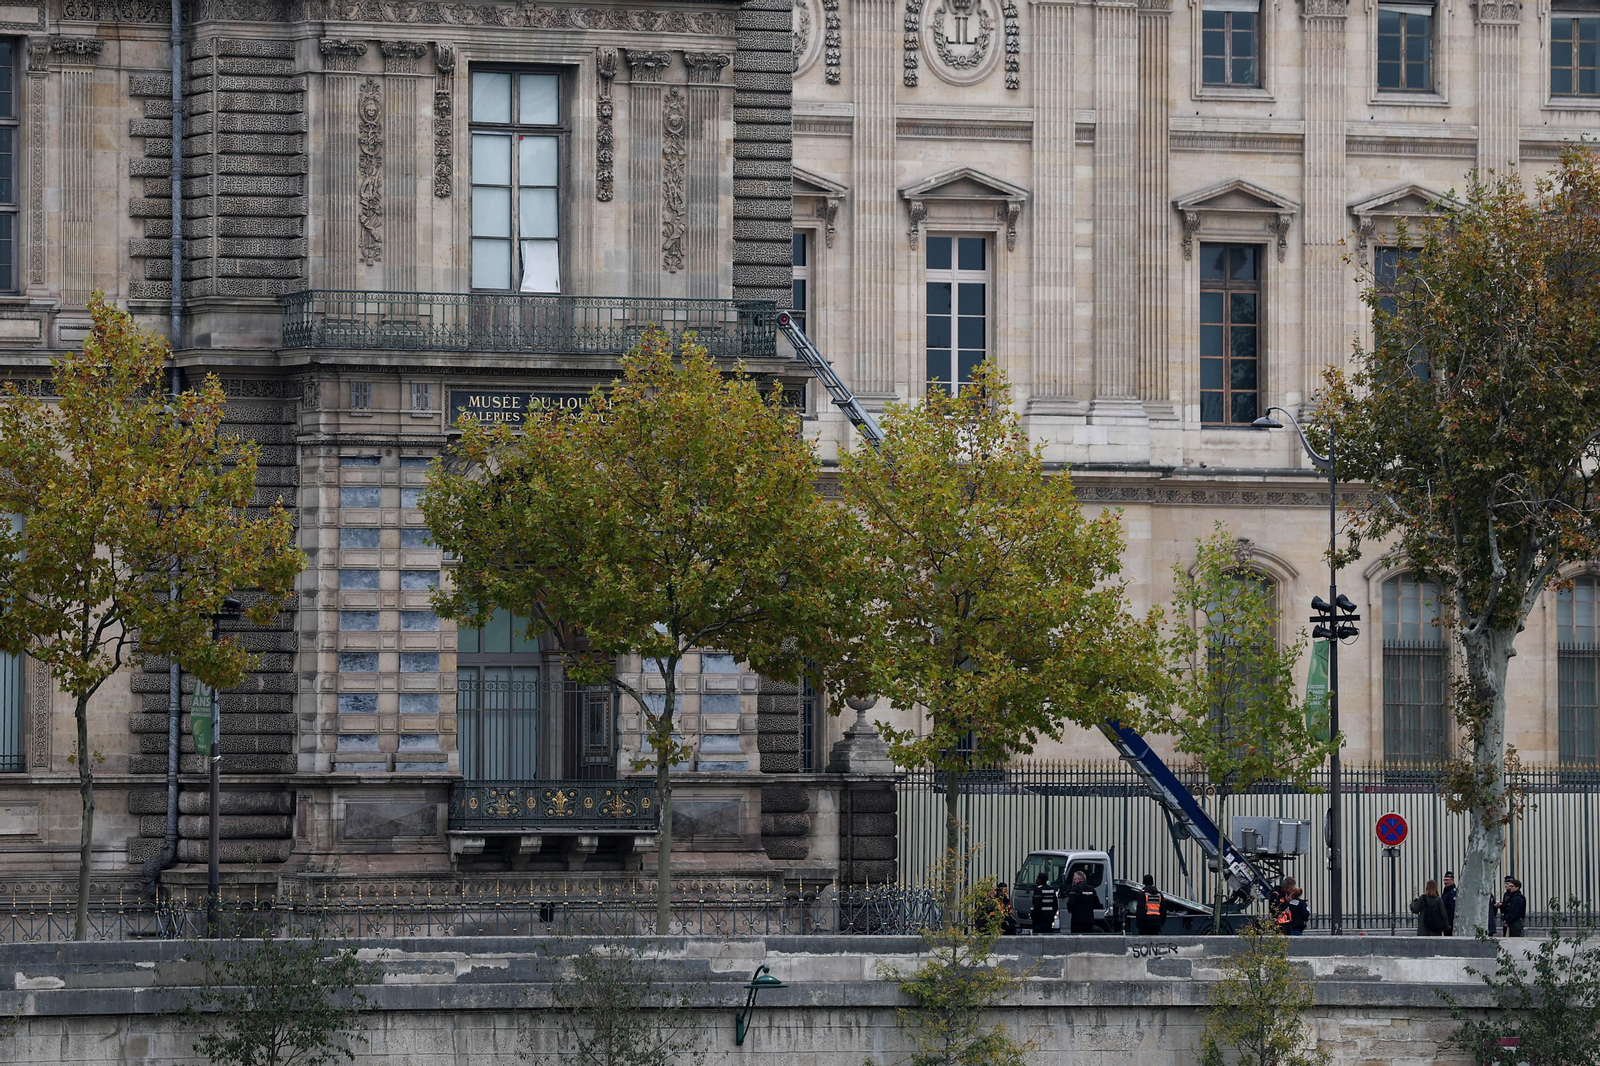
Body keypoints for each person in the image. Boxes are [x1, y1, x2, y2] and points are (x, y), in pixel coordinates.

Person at [1065, 870, 1098, 934]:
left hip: (1077, 920)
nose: (1074, 881)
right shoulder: (1092, 890)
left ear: (1079, 879)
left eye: (1074, 879)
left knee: (1076, 939)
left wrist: (1070, 909)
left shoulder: (1075, 889)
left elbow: (1071, 903)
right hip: (1089, 919)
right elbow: (1097, 904)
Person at [1441, 872, 1458, 936]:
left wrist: (1449, 923)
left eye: (1447, 880)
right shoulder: (1446, 890)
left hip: (1450, 922)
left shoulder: (1452, 892)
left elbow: (1452, 909)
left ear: (1452, 880)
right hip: (1445, 920)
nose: (1445, 882)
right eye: (1445, 880)